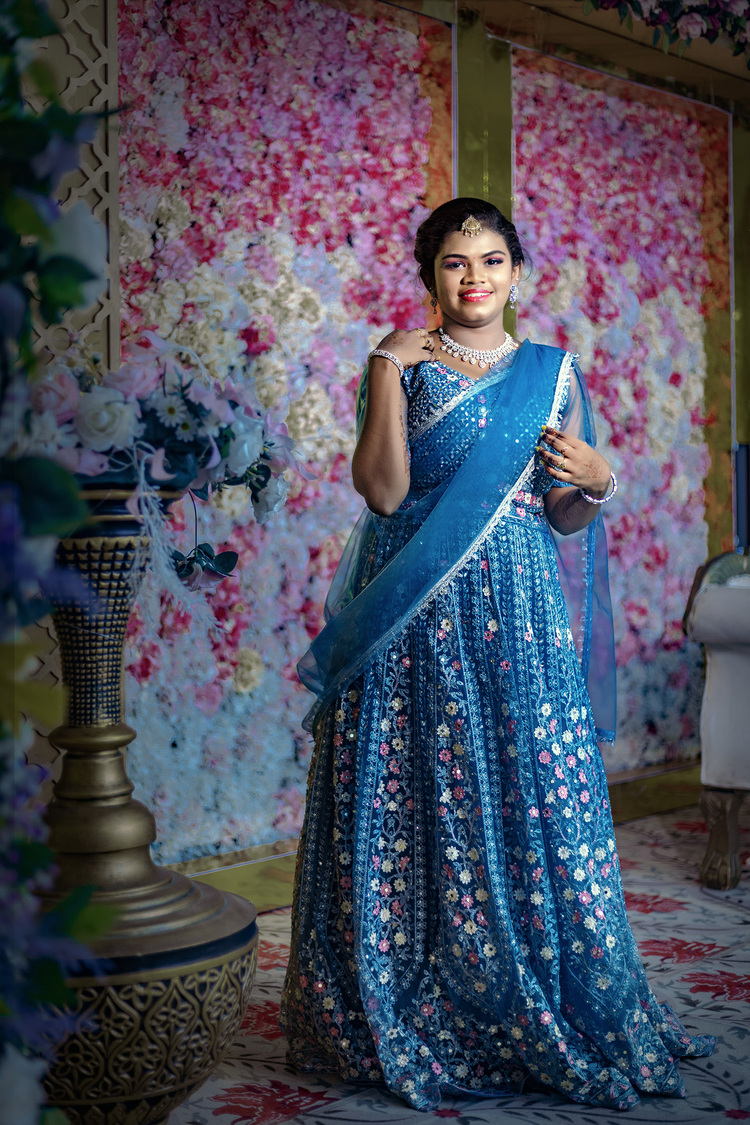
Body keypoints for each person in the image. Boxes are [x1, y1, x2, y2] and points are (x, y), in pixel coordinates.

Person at [280, 198, 715, 1111]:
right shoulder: (402, 364)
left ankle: (526, 989)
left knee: (526, 790)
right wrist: (385, 367)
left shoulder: (552, 374)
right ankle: (398, 994)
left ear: (516, 273)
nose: (473, 277)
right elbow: (384, 493)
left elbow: (563, 514)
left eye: (489, 260)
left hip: (517, 614)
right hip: (410, 616)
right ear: (430, 277)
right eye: (454, 262)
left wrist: (599, 481)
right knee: (407, 794)